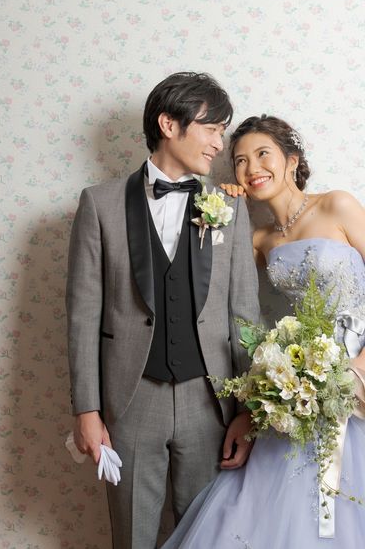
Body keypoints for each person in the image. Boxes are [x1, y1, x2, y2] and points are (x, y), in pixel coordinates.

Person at [65, 73, 260, 549]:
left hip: (210, 403)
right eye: (212, 129)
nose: (219, 144)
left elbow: (244, 317)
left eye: (222, 132)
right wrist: (87, 410)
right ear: (169, 125)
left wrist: (248, 412)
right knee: (132, 537)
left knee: (207, 537)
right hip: (131, 402)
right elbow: (83, 317)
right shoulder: (100, 204)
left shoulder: (230, 207)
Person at [162, 115, 365, 548]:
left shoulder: (338, 206)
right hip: (304, 376)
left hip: (358, 366)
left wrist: (359, 366)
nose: (251, 168)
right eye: (239, 161)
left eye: (262, 154)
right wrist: (224, 207)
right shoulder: (258, 240)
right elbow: (199, 278)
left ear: (291, 160)